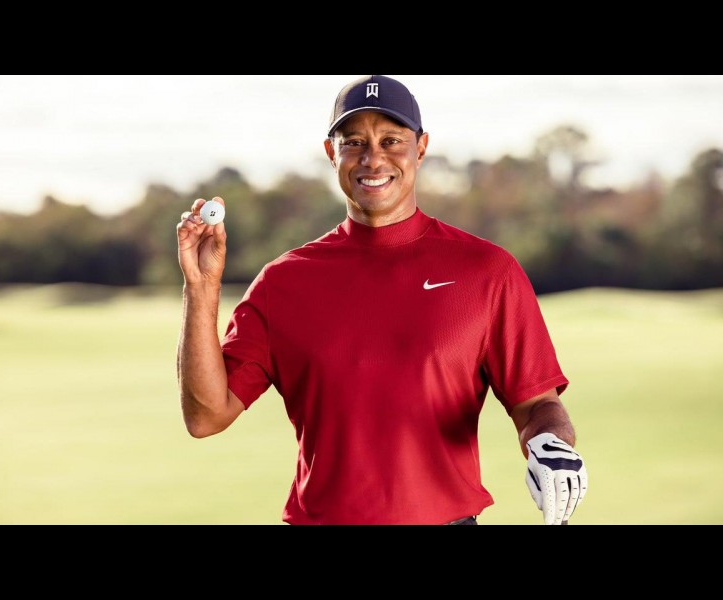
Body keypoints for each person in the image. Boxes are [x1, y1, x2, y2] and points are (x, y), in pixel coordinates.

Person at [176, 75, 588, 525]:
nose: (373, 158)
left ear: (421, 148)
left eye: (391, 140)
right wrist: (201, 287)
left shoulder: (487, 272)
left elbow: (537, 405)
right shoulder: (283, 282)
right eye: (354, 142)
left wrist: (550, 442)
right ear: (332, 152)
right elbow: (206, 417)